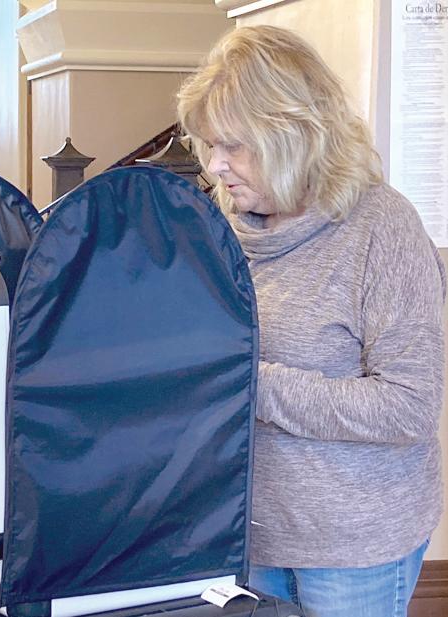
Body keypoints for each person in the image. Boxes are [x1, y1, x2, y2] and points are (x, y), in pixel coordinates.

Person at [177, 26, 445, 617]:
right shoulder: (225, 229)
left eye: (234, 146)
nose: (216, 165)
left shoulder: (382, 229)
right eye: (210, 145)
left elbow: (409, 405)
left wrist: (251, 382)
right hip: (247, 534)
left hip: (354, 545)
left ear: (293, 135)